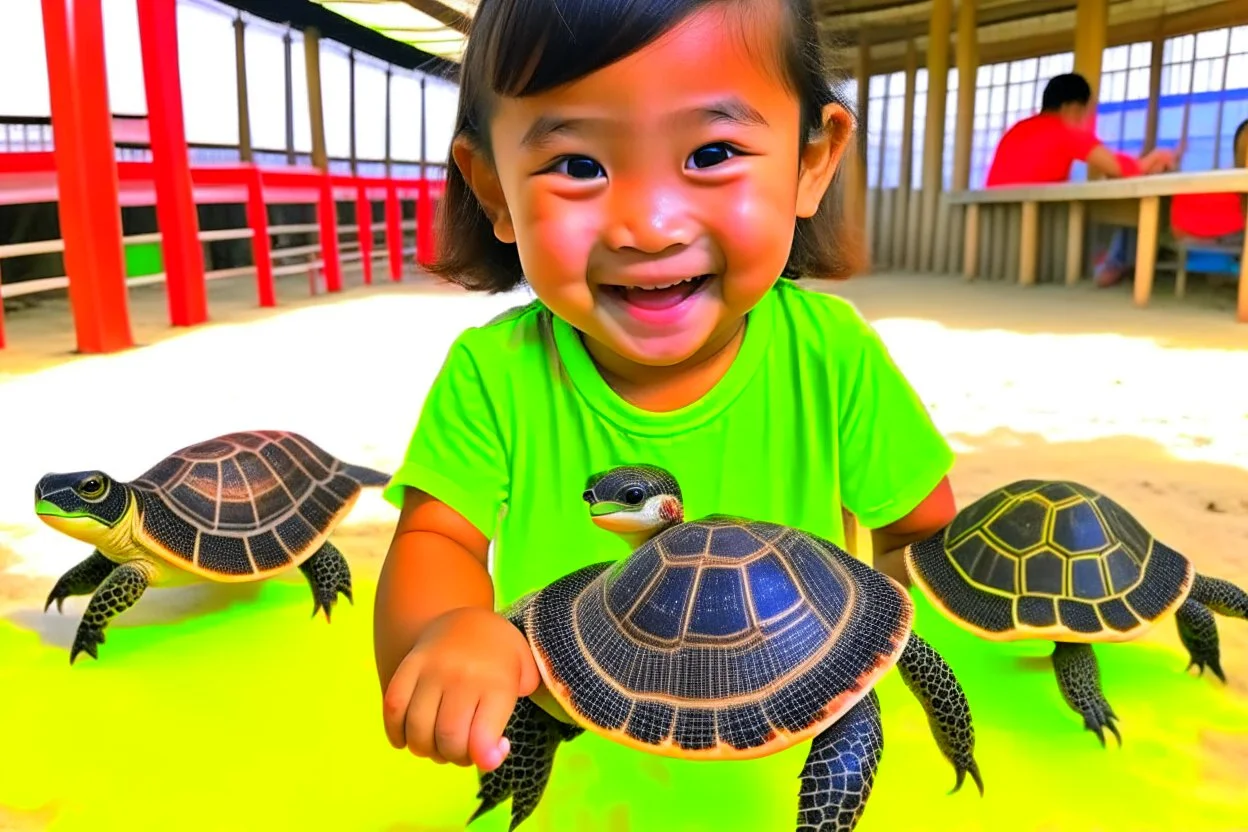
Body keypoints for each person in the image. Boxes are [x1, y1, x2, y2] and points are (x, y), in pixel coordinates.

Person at [372, 0, 959, 825]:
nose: (648, 226)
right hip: (586, 745)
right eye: (578, 166)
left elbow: (922, 542)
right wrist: (451, 633)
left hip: (796, 743)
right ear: (493, 189)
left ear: (812, 161)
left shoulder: (832, 353)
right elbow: (439, 537)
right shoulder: (494, 373)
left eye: (712, 153)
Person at [1095, 118, 1246, 287]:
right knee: (1143, 207)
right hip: (1202, 223)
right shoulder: (1226, 185)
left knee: (1142, 208)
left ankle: (1117, 264)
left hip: (1193, 226)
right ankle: (1119, 264)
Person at [985, 72, 1174, 188]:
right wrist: (1155, 158)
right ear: (1073, 107)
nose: (1085, 120)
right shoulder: (1064, 131)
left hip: (990, 224)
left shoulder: (1018, 128)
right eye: (1085, 112)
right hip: (1029, 223)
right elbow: (1118, 168)